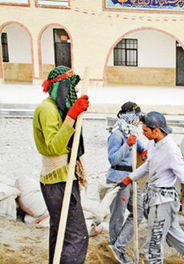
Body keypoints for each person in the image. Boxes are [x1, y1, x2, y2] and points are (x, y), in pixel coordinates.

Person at [116, 111, 184, 264]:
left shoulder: (171, 151)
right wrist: (128, 179)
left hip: (163, 203)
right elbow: (148, 165)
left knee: (153, 246)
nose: (143, 133)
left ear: (156, 131)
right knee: (175, 235)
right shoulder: (153, 143)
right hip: (155, 199)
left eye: (145, 130)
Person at [33, 65, 89, 264]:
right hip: (57, 181)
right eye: (72, 87)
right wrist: (72, 117)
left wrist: (72, 114)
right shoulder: (47, 109)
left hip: (62, 179)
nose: (74, 92)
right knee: (77, 236)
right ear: (62, 87)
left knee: (61, 234)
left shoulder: (55, 107)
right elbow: (54, 147)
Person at [107, 102, 147, 264]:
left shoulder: (131, 132)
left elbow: (139, 146)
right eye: (137, 117)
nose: (139, 121)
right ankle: (116, 249)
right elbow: (113, 159)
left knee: (138, 212)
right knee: (117, 216)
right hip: (118, 178)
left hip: (132, 177)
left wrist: (143, 149)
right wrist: (127, 145)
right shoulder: (117, 134)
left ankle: (119, 246)